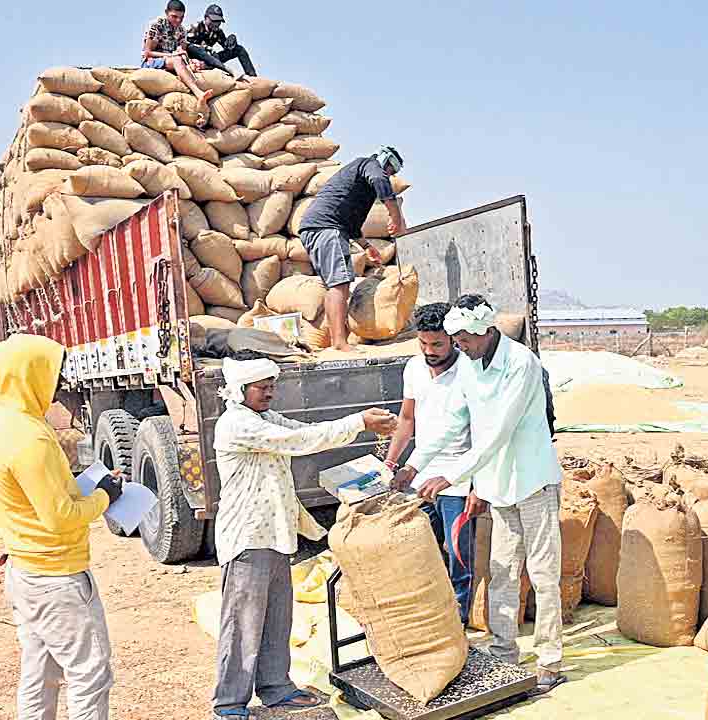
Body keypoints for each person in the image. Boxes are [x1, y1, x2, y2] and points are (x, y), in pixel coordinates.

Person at [393, 295, 566, 696]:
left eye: (464, 340)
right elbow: (456, 422)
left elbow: (497, 433)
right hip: (500, 483)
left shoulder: (521, 364)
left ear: (485, 331)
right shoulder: (470, 366)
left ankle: (550, 660)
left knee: (542, 574)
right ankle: (504, 650)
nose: (459, 348)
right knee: (503, 570)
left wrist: (452, 475)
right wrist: (415, 465)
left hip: (533, 480)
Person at [210, 352, 396, 718]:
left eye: (272, 386)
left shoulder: (264, 417)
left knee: (277, 617)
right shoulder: (237, 424)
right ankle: (229, 702)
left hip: (276, 532)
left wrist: (355, 427)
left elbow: (302, 432)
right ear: (240, 389)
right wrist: (359, 421)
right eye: (262, 388)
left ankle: (276, 687)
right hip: (248, 536)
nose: (269, 393)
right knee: (243, 623)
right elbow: (299, 441)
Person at [0, 334, 124, 720]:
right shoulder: (30, 438)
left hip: (25, 571)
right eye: (53, 372)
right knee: (89, 675)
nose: (59, 382)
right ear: (31, 374)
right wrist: (105, 497)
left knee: (40, 672)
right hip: (56, 576)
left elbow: (37, 493)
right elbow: (59, 517)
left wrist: (89, 484)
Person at [382, 303, 475, 625]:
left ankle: (459, 620)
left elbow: (477, 430)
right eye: (423, 343)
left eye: (436, 344)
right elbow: (407, 419)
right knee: (420, 546)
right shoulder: (414, 368)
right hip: (419, 475)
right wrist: (392, 463)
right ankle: (430, 613)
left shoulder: (470, 371)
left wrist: (475, 482)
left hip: (457, 479)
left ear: (453, 339)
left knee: (457, 551)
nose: (429, 351)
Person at [298, 147, 408, 352]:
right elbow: (379, 179)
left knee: (334, 285)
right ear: (383, 160)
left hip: (320, 227)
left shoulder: (361, 189)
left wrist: (367, 246)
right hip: (327, 227)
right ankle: (340, 342)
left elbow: (351, 224)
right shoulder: (369, 164)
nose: (390, 174)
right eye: (391, 169)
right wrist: (395, 216)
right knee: (340, 283)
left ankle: (336, 341)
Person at [141, 0, 215, 104]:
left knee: (199, 63)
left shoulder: (182, 31)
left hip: (174, 61)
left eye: (181, 17)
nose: (178, 20)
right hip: (152, 61)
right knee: (177, 60)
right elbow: (148, 53)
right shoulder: (156, 25)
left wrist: (190, 61)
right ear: (166, 13)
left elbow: (183, 51)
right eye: (174, 17)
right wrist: (172, 55)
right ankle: (198, 92)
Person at [186, 4, 257, 78]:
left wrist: (232, 40)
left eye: (218, 21)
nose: (216, 24)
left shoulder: (218, 32)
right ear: (206, 18)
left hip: (213, 59)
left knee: (239, 49)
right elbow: (188, 46)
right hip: (197, 58)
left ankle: (252, 76)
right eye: (214, 20)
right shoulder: (195, 28)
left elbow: (227, 48)